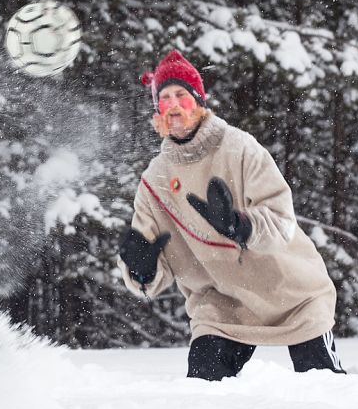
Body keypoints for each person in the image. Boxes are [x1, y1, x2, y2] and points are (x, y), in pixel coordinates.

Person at [116, 51, 344, 380]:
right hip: (223, 306)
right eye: (164, 99)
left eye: (181, 95)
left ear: (198, 101)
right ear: (158, 112)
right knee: (203, 392)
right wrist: (141, 271)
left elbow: (281, 222)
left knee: (325, 388)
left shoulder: (239, 148)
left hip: (290, 291)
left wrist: (240, 225)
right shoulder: (155, 182)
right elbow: (148, 277)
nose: (174, 105)